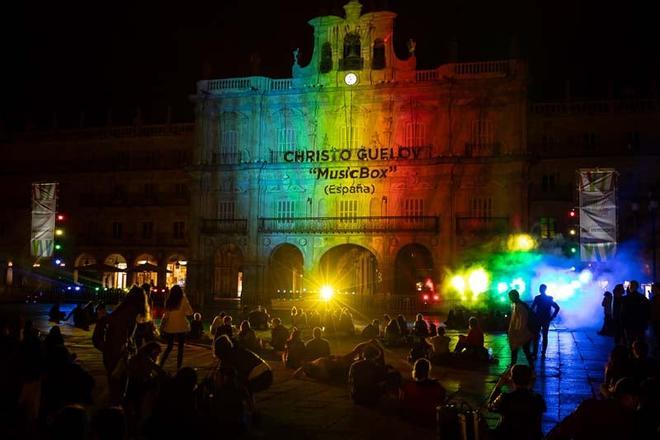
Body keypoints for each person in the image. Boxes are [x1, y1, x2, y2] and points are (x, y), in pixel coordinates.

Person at [547, 377, 638, 440]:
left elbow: (562, 430)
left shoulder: (589, 407)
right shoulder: (631, 421)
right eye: (636, 400)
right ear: (629, 398)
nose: (637, 405)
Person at [103, 285, 149, 404]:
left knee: (114, 386)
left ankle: (112, 411)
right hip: (119, 353)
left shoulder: (121, 310)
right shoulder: (131, 312)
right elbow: (126, 335)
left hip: (110, 351)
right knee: (120, 388)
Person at [488, 364, 546, 440]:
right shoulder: (538, 399)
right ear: (530, 380)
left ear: (512, 379)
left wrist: (499, 385)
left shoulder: (505, 398)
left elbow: (490, 406)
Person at [400, 358, 447, 428]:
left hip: (412, 421)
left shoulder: (409, 386)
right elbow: (442, 398)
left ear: (415, 371)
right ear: (428, 371)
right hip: (429, 422)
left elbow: (404, 403)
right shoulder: (436, 387)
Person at [207, 366, 254, 434]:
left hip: (225, 422)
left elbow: (213, 407)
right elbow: (250, 406)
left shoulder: (220, 391)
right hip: (235, 422)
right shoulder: (240, 390)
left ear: (226, 378)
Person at [158, 285, 193, 370]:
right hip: (181, 327)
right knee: (180, 349)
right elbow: (190, 312)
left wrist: (162, 326)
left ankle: (161, 364)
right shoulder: (183, 300)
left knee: (169, 347)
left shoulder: (169, 301)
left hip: (170, 327)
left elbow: (166, 316)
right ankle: (179, 368)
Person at [531, 284, 560, 359]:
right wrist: (552, 317)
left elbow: (532, 308)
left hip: (538, 319)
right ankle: (543, 352)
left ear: (541, 289)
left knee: (536, 336)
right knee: (544, 336)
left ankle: (535, 353)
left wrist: (533, 316)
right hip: (546, 319)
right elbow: (557, 307)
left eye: (540, 288)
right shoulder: (549, 298)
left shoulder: (537, 298)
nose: (540, 290)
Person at [507, 290, 535, 367]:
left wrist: (518, 332)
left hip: (522, 333)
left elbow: (522, 321)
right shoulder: (516, 305)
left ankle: (513, 366)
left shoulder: (520, 306)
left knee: (518, 350)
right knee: (524, 350)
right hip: (521, 332)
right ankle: (529, 366)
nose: (510, 299)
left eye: (511, 297)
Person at [620, 280, 650, 346]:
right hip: (640, 324)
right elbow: (647, 311)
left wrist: (622, 324)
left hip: (629, 324)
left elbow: (623, 313)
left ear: (630, 287)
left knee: (630, 341)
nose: (629, 287)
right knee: (640, 341)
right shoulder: (643, 298)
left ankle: (631, 354)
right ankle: (640, 354)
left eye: (630, 286)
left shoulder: (626, 299)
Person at [650, 282, 660, 353]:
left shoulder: (655, 298)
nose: (651, 290)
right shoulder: (654, 298)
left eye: (653, 288)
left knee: (656, 337)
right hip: (655, 320)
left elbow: (653, 310)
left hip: (656, 321)